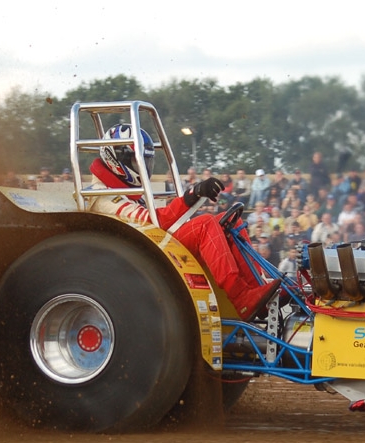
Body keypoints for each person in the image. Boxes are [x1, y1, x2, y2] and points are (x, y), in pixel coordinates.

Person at [87, 123, 280, 321]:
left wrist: (194, 195)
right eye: (138, 161)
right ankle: (240, 297)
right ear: (117, 160)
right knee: (205, 224)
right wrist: (194, 193)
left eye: (146, 161)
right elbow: (154, 221)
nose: (144, 167)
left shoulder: (123, 190)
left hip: (151, 248)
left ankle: (259, 288)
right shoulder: (103, 197)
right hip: (141, 260)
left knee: (232, 222)